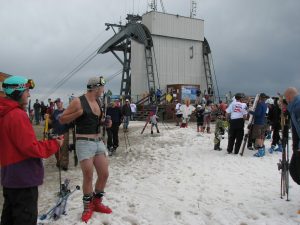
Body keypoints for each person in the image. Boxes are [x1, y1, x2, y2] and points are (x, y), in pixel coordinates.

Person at [0, 75, 63, 225]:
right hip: (23, 179)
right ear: (17, 92)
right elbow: (30, 148)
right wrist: (55, 144)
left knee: (9, 218)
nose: (29, 94)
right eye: (27, 90)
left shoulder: (4, 113)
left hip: (9, 178)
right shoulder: (17, 115)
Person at [59, 76, 112, 222]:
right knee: (88, 175)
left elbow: (94, 120)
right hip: (83, 142)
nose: (103, 90)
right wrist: (78, 113)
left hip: (98, 141)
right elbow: (62, 118)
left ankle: (97, 202)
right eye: (102, 87)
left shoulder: (98, 101)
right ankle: (87, 207)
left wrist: (105, 123)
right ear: (96, 87)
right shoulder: (78, 101)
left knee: (104, 174)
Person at [284, 87, 300, 185]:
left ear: (289, 97)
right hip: (297, 144)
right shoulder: (294, 106)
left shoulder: (298, 107)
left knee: (295, 170)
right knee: (294, 169)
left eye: (286, 98)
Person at [49, 98, 70, 171]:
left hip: (64, 132)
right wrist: (47, 119)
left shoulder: (66, 111)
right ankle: (59, 162)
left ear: (62, 103)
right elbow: (51, 122)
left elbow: (70, 121)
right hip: (56, 133)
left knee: (64, 149)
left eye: (59, 102)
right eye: (56, 103)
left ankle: (64, 165)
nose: (58, 104)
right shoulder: (54, 112)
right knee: (56, 150)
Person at [251, 93, 269, 157]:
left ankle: (261, 150)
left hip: (258, 122)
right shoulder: (265, 104)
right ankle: (262, 149)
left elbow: (258, 114)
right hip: (263, 122)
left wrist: (250, 111)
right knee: (261, 136)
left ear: (260, 98)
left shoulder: (260, 104)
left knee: (258, 137)